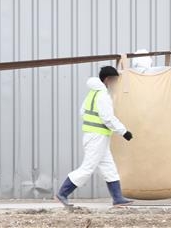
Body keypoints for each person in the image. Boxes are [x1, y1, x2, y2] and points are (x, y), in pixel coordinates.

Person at [56, 66, 134, 207]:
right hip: (97, 137)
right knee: (88, 167)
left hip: (96, 136)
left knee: (109, 167)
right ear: (107, 79)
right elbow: (108, 118)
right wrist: (124, 132)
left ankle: (117, 199)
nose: (115, 83)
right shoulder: (103, 96)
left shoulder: (92, 94)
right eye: (114, 80)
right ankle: (63, 193)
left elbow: (82, 112)